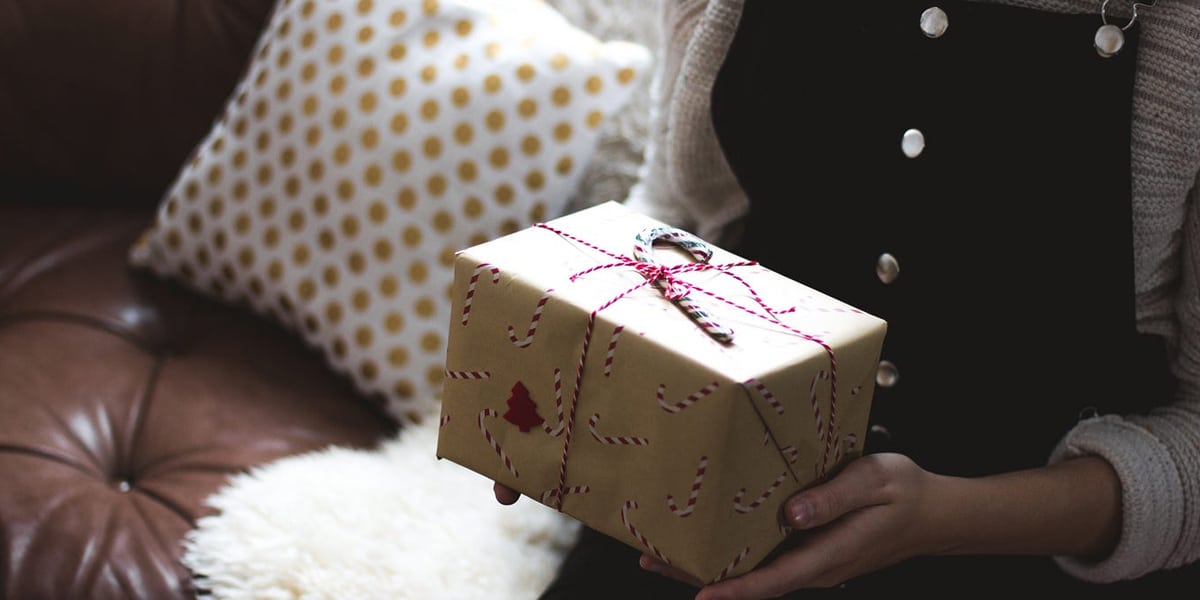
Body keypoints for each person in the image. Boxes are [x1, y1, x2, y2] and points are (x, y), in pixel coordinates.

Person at [496, 0, 1200, 597]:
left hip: (1032, 555)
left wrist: (950, 518)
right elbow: (674, 215)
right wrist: (582, 382)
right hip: (697, 506)